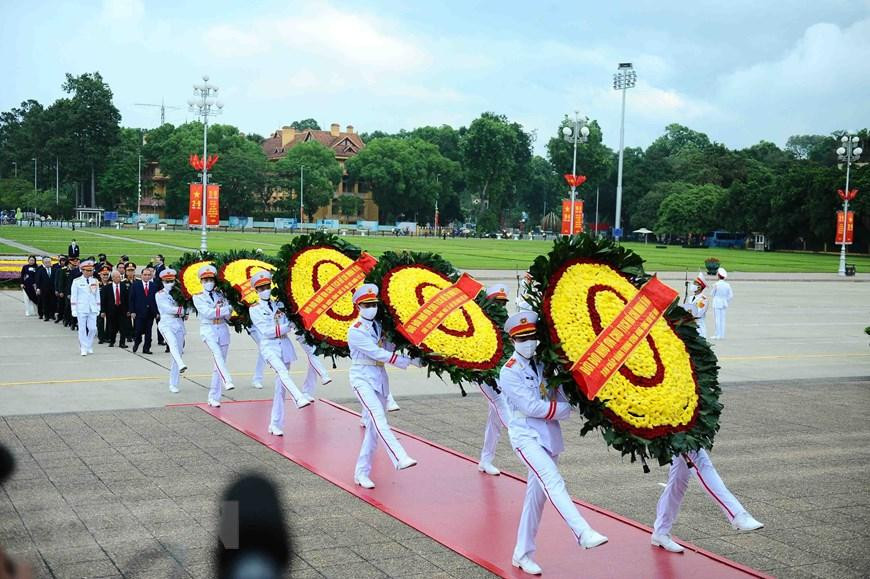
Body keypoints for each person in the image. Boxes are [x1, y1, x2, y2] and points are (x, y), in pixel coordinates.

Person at [500, 311, 607, 575]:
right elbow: (531, 406)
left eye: (532, 337)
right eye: (522, 338)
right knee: (553, 481)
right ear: (513, 341)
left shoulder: (544, 364)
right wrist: (564, 409)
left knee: (535, 500)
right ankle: (582, 532)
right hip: (526, 436)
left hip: (548, 436)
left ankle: (522, 554)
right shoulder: (509, 372)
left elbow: (559, 392)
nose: (528, 342)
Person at [347, 284, 421, 490]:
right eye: (367, 304)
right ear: (358, 306)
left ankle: (361, 473)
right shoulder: (355, 331)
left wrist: (416, 357)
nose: (371, 307)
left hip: (379, 378)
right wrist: (407, 362)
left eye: (374, 304)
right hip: (361, 377)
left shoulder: (380, 327)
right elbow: (377, 353)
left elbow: (390, 348)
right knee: (378, 417)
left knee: (372, 429)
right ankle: (400, 456)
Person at [248, 271, 312, 435]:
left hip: (284, 345)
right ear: (256, 290)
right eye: (261, 288)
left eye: (267, 286)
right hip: (269, 346)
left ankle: (275, 424)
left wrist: (289, 324)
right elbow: (266, 331)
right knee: (282, 372)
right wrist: (287, 326)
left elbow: (288, 321)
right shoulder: (254, 309)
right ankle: (298, 397)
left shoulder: (280, 304)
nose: (265, 290)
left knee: (280, 388)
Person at [476, 284, 513, 476]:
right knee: (500, 404)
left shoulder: (505, 323)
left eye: (503, 303)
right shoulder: (480, 322)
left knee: (495, 420)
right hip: (483, 374)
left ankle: (485, 460)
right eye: (497, 303)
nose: (501, 307)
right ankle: (519, 437)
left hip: (500, 374)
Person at [192, 265, 236, 407]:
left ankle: (214, 397)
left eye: (210, 279)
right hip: (208, 329)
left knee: (219, 364)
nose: (208, 282)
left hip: (222, 329)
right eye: (205, 280)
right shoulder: (198, 297)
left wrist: (225, 309)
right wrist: (225, 309)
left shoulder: (221, 295)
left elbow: (229, 314)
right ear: (201, 281)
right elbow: (208, 313)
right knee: (217, 355)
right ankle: (227, 380)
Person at [155, 269, 188, 393]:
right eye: (166, 281)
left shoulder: (180, 293)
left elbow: (187, 307)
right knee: (172, 344)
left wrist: (185, 310)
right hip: (166, 323)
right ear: (162, 281)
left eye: (171, 281)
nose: (169, 283)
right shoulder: (159, 294)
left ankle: (173, 383)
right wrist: (181, 310)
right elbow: (167, 309)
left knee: (177, 352)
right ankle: (181, 364)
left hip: (178, 324)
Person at [70, 259, 101, 356]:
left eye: (91, 270)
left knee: (93, 329)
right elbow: (74, 296)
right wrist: (74, 309)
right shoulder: (77, 281)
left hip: (92, 308)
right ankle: (83, 347)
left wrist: (98, 307)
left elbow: (97, 295)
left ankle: (88, 344)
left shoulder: (95, 281)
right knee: (82, 329)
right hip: (81, 308)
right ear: (82, 270)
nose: (89, 272)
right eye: (87, 270)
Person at [128, 266, 158, 354]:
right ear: (141, 275)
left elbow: (156, 300)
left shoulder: (154, 286)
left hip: (150, 313)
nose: (147, 276)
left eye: (149, 275)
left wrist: (156, 312)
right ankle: (137, 342)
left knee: (149, 332)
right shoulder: (135, 285)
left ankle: (146, 348)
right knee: (138, 331)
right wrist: (132, 311)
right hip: (139, 313)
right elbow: (131, 299)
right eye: (145, 275)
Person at [100, 270, 129, 348]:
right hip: (111, 310)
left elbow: (127, 299)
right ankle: (112, 341)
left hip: (122, 309)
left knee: (123, 327)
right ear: (112, 278)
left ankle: (122, 343)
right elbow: (103, 300)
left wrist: (128, 310)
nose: (118, 278)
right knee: (112, 327)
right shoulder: (106, 288)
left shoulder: (124, 286)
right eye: (116, 277)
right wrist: (103, 311)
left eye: (119, 277)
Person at [682, 273, 709, 339]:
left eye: (695, 284)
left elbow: (698, 313)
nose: (692, 285)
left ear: (699, 287)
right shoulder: (690, 297)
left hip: (699, 326)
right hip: (690, 326)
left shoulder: (703, 299)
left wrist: (688, 312)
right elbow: (686, 308)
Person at [710, 267, 733, 340]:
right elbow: (730, 295)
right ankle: (722, 334)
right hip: (723, 303)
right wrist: (725, 300)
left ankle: (717, 335)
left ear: (718, 275)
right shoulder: (727, 285)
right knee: (722, 319)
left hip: (717, 303)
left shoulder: (716, 284)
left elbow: (712, 294)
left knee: (717, 319)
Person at [35, 256, 56, 322]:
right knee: (45, 303)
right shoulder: (40, 270)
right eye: (46, 262)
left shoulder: (53, 269)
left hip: (52, 289)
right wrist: (38, 288)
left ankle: (52, 315)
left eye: (49, 262)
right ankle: (46, 316)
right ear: (43, 263)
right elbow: (38, 280)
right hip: (44, 289)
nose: (48, 263)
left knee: (52, 302)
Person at [65, 256, 82, 330]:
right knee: (74, 309)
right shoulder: (74, 271)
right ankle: (73, 323)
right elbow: (69, 283)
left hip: (82, 294)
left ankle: (79, 323)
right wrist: (69, 293)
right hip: (75, 293)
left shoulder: (88, 272)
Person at [96, 265, 112, 343]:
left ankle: (108, 337)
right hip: (99, 305)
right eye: (104, 274)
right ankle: (101, 337)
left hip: (109, 306)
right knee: (100, 322)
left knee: (109, 322)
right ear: (100, 274)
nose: (105, 276)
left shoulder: (111, 284)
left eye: (107, 274)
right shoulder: (96, 284)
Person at [53, 255, 68, 324]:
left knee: (65, 306)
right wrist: (57, 289)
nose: (63, 262)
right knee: (59, 305)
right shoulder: (58, 269)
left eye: (64, 261)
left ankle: (65, 318)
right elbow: (56, 280)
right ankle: (59, 317)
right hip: (60, 290)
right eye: (62, 261)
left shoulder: (67, 270)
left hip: (66, 290)